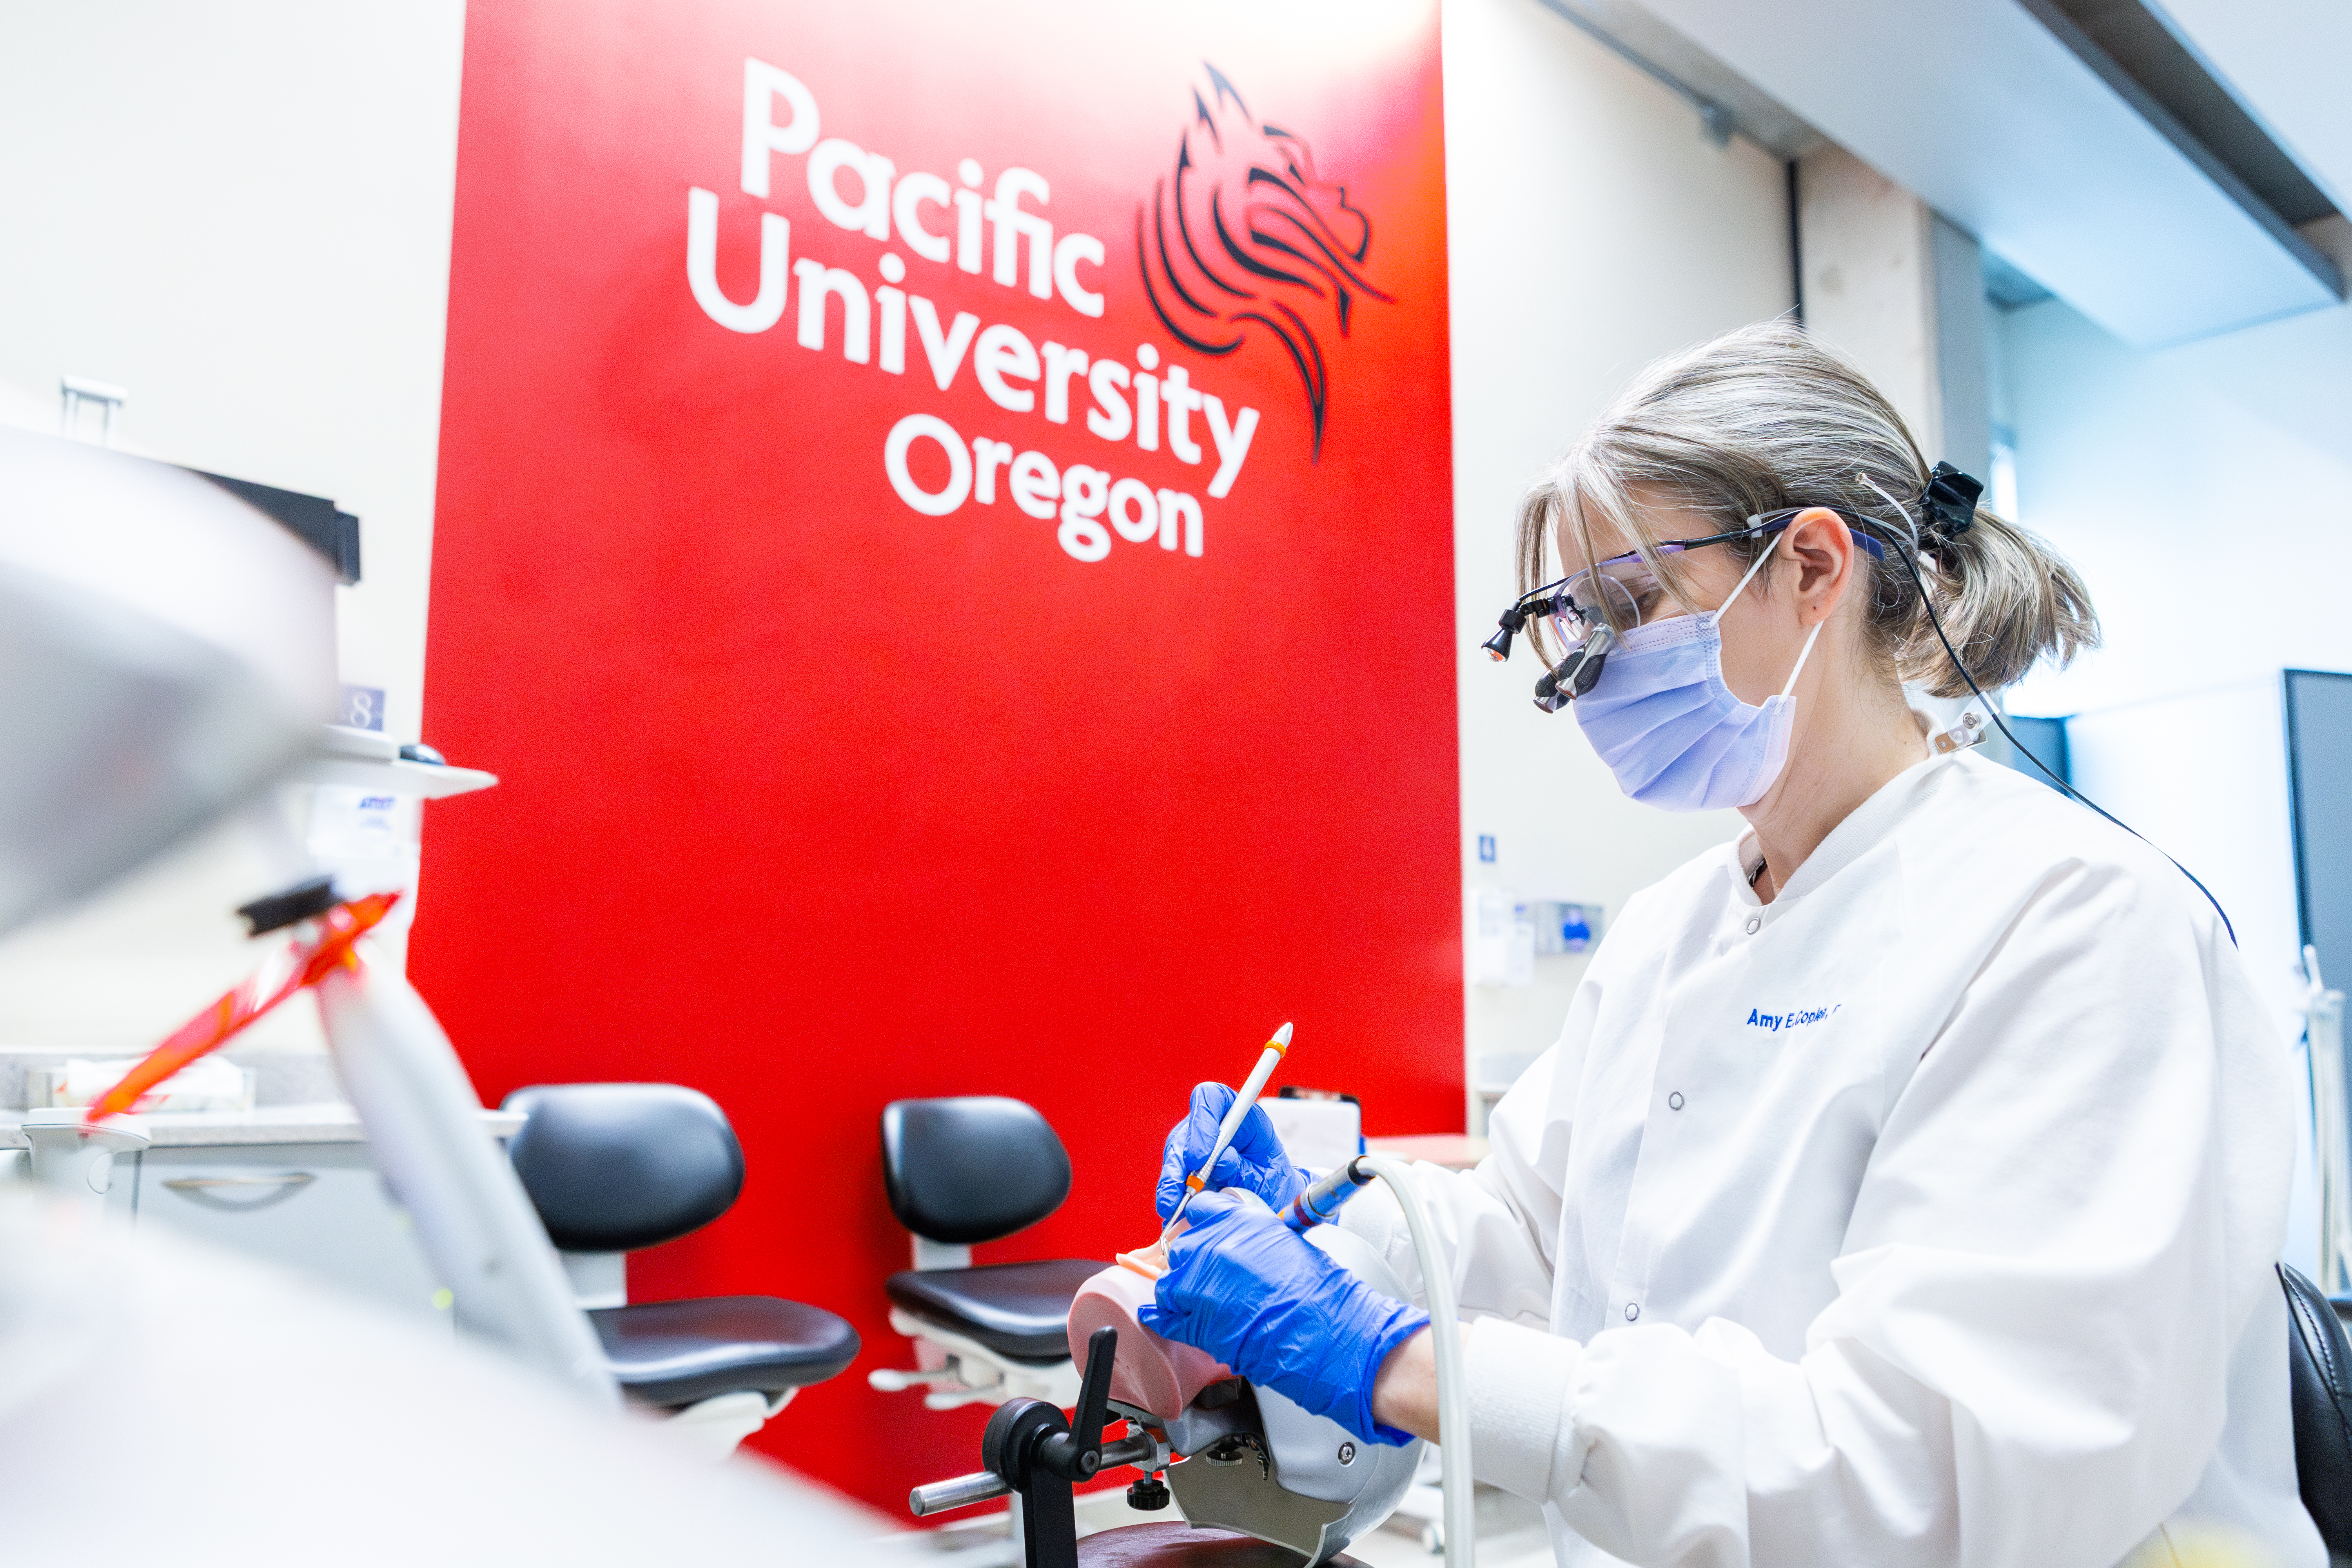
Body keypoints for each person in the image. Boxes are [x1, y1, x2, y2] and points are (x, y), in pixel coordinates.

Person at [1140, 322, 2319, 1568]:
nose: (1591, 675)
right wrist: (1328, 1221)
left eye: (1631, 606)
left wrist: (1395, 1363)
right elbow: (1535, 1231)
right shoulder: (1673, 931)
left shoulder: (2072, 921)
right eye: (1571, 621)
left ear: (1812, 566)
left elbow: (1917, 1479)